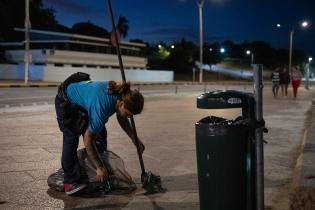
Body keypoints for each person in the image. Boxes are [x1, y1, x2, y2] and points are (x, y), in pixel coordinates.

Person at [55, 73, 145, 195]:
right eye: (128, 113)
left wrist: (135, 140)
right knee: (71, 138)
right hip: (66, 101)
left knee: (101, 135)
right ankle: (70, 182)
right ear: (121, 104)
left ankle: (93, 170)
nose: (129, 117)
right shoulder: (102, 107)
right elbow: (88, 140)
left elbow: (121, 117)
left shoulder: (120, 94)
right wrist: (100, 167)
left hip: (85, 103)